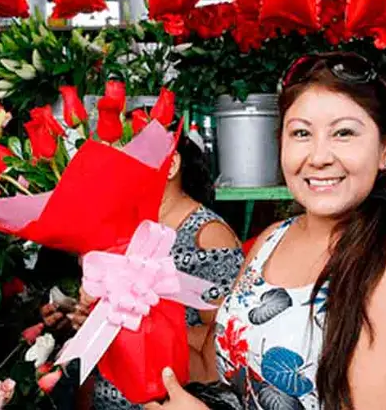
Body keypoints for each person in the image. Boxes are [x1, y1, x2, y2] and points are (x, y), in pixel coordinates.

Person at [146, 52, 386, 410]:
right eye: (301, 133)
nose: (318, 156)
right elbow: (211, 369)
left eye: (343, 133)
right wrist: (125, 315)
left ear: (385, 150)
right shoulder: (271, 241)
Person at [42, 124, 246, 408]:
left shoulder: (208, 234)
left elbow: (225, 339)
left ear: (171, 164)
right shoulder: (128, 230)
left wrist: (138, 328)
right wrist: (88, 319)